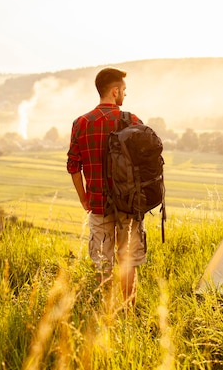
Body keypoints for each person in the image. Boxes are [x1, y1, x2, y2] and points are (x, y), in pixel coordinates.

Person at [67, 67, 146, 307]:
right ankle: (128, 315)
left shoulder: (81, 123)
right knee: (128, 261)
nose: (124, 95)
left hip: (98, 204)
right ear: (114, 91)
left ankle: (107, 313)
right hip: (129, 205)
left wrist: (84, 198)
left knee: (103, 262)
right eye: (123, 90)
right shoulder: (132, 121)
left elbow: (73, 166)